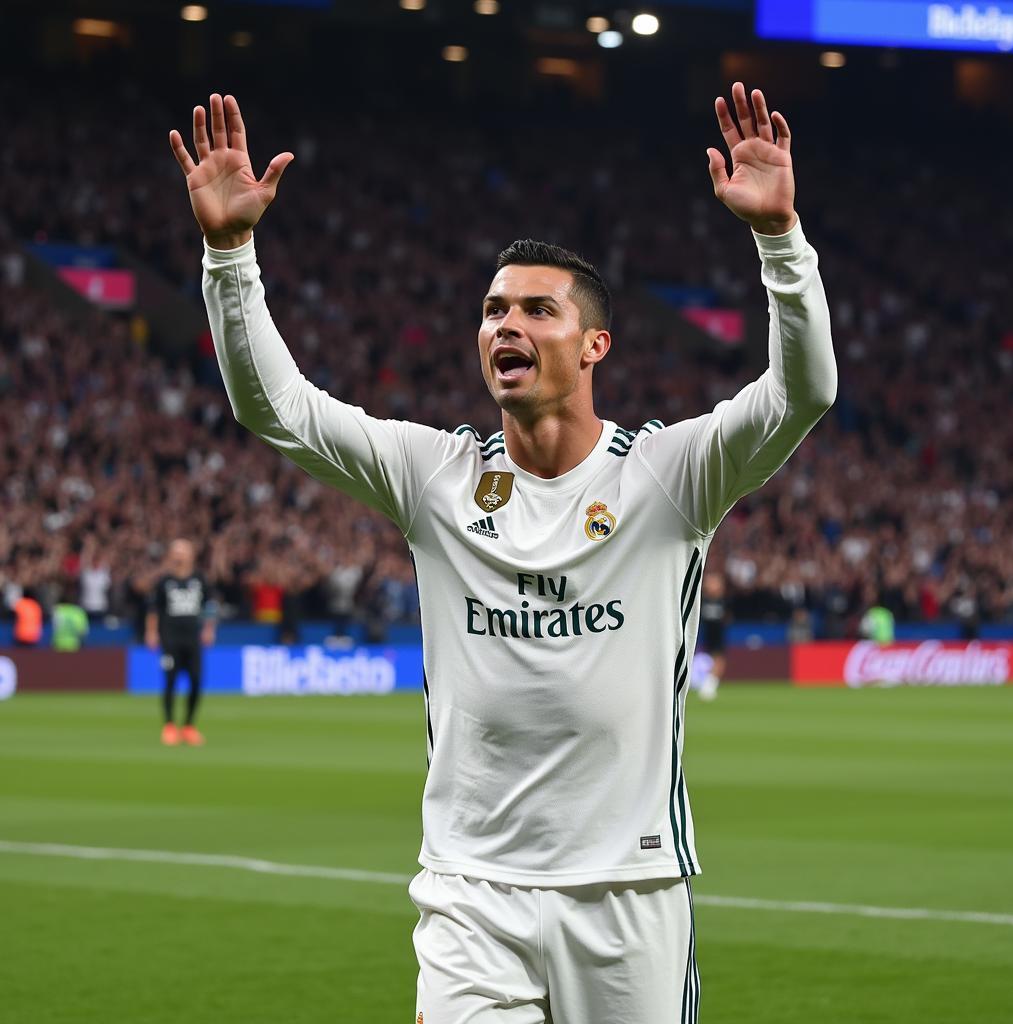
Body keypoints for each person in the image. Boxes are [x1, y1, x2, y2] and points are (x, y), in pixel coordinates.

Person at [170, 83, 836, 1021]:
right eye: (492, 310)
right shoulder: (435, 477)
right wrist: (230, 254)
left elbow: (801, 392)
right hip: (472, 895)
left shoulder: (668, 475)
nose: (504, 326)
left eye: (535, 310)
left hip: (630, 895)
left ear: (595, 343)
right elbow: (275, 408)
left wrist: (780, 241)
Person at [145, 539, 216, 746]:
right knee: (170, 681)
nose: (178, 555)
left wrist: (209, 629)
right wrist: (151, 632)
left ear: (191, 554)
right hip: (170, 639)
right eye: (175, 550)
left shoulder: (200, 579)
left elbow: (210, 606)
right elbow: (153, 609)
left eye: (182, 551)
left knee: (196, 680)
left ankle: (189, 726)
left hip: (193, 639)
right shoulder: (164, 581)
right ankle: (169, 726)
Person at [695, 571, 729, 701]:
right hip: (702, 634)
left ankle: (709, 686)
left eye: (714, 582)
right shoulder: (700, 599)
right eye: (709, 582)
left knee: (719, 658)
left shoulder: (724, 601)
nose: (710, 585)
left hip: (717, 635)